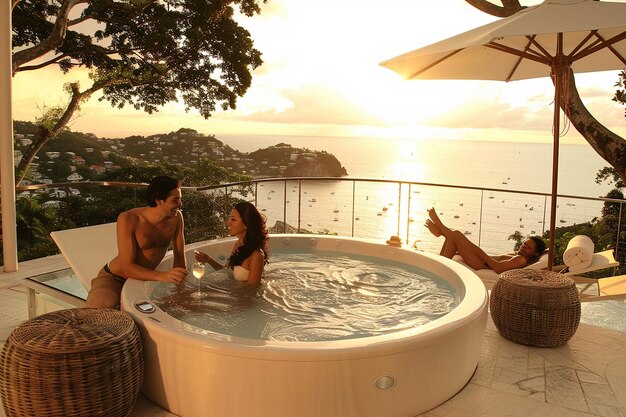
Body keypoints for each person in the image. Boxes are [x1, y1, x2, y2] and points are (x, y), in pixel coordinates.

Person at [86, 176, 188, 309]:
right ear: (159, 201)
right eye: (175, 200)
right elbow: (127, 267)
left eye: (180, 198)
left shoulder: (176, 218)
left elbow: (179, 257)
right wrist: (163, 276)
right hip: (116, 278)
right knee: (99, 308)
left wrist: (180, 285)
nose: (180, 204)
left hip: (145, 280)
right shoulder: (129, 219)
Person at [425, 207, 546, 274]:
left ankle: (441, 230)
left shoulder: (521, 260)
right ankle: (437, 266)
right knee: (453, 238)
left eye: (528, 247)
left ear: (535, 253)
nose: (524, 247)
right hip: (482, 261)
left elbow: (498, 268)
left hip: (481, 265)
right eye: (525, 244)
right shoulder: (517, 255)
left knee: (456, 234)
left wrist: (479, 252)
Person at [195, 201, 269, 285]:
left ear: (246, 224)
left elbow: (252, 292)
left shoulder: (257, 255)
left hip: (242, 297)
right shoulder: (238, 244)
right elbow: (227, 271)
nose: (228, 223)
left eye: (233, 219)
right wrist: (208, 260)